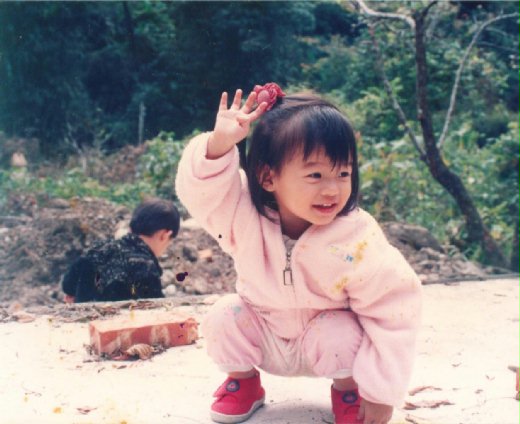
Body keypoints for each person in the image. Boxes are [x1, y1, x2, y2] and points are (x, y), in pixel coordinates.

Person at [175, 83, 422, 424]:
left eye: (343, 173)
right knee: (223, 316)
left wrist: (380, 392)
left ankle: (348, 391)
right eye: (315, 174)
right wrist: (218, 145)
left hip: (328, 345)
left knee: (339, 331)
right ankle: (243, 383)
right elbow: (202, 194)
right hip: (264, 334)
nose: (332, 189)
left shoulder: (356, 237)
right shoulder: (241, 214)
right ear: (268, 177)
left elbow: (394, 309)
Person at [61, 197, 180, 303]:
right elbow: (155, 310)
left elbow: (68, 287)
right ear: (165, 235)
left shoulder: (97, 250)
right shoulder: (146, 266)